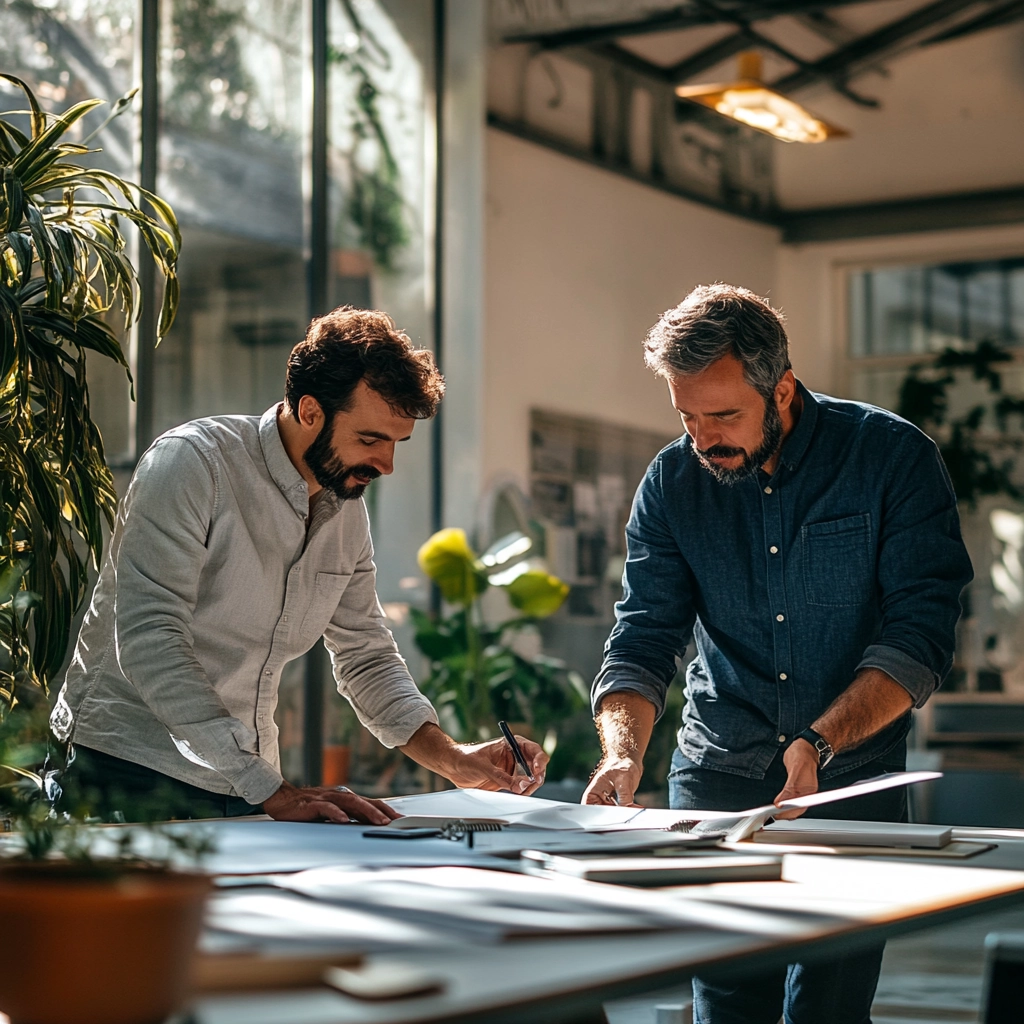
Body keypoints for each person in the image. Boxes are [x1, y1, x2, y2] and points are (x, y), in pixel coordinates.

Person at [583, 284, 972, 1024]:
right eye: (688, 416)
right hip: (716, 771)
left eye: (724, 415)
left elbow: (920, 632)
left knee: (829, 1004)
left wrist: (819, 741)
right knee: (728, 999)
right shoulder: (671, 483)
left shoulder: (891, 458)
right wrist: (623, 753)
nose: (703, 438)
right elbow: (642, 637)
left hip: (850, 781)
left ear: (782, 387)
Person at [53, 306, 547, 824]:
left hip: (243, 783)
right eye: (370, 439)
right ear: (310, 411)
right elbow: (152, 640)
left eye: (396, 443)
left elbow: (366, 656)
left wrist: (455, 759)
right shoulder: (194, 465)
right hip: (121, 772)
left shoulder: (346, 512)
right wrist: (269, 788)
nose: (387, 464)